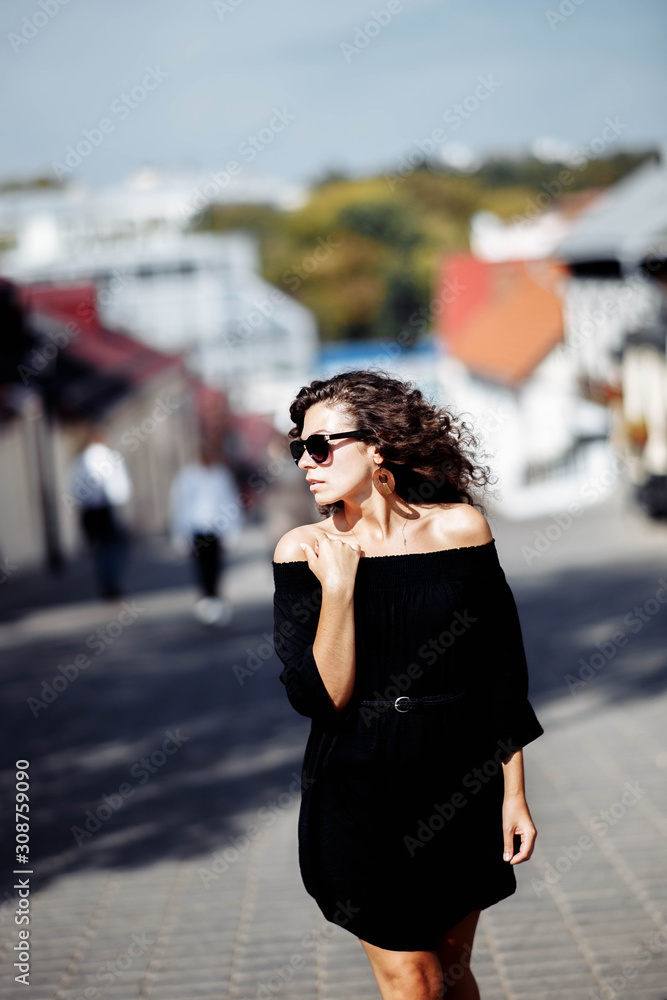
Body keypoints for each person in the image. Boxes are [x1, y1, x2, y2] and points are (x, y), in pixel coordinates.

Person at [272, 369, 544, 1000]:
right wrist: (339, 589)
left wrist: (514, 794)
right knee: (413, 982)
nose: (307, 463)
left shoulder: (461, 530)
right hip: (356, 787)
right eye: (299, 449)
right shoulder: (301, 550)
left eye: (321, 446)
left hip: (459, 778)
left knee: (451, 972)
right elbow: (319, 697)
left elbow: (501, 671)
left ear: (378, 446)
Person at [168, 439, 243, 626]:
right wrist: (179, 535)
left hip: (216, 531)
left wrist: (232, 532)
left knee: (216, 569)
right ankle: (206, 606)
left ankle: (216, 603)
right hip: (197, 531)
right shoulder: (187, 477)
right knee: (202, 570)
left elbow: (230, 503)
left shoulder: (220, 476)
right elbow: (180, 507)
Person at [68, 424, 133, 600]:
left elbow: (74, 488)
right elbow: (122, 487)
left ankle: (106, 583)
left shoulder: (80, 460)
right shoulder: (110, 457)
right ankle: (112, 582)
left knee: (98, 550)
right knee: (113, 547)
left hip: (90, 512)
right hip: (107, 509)